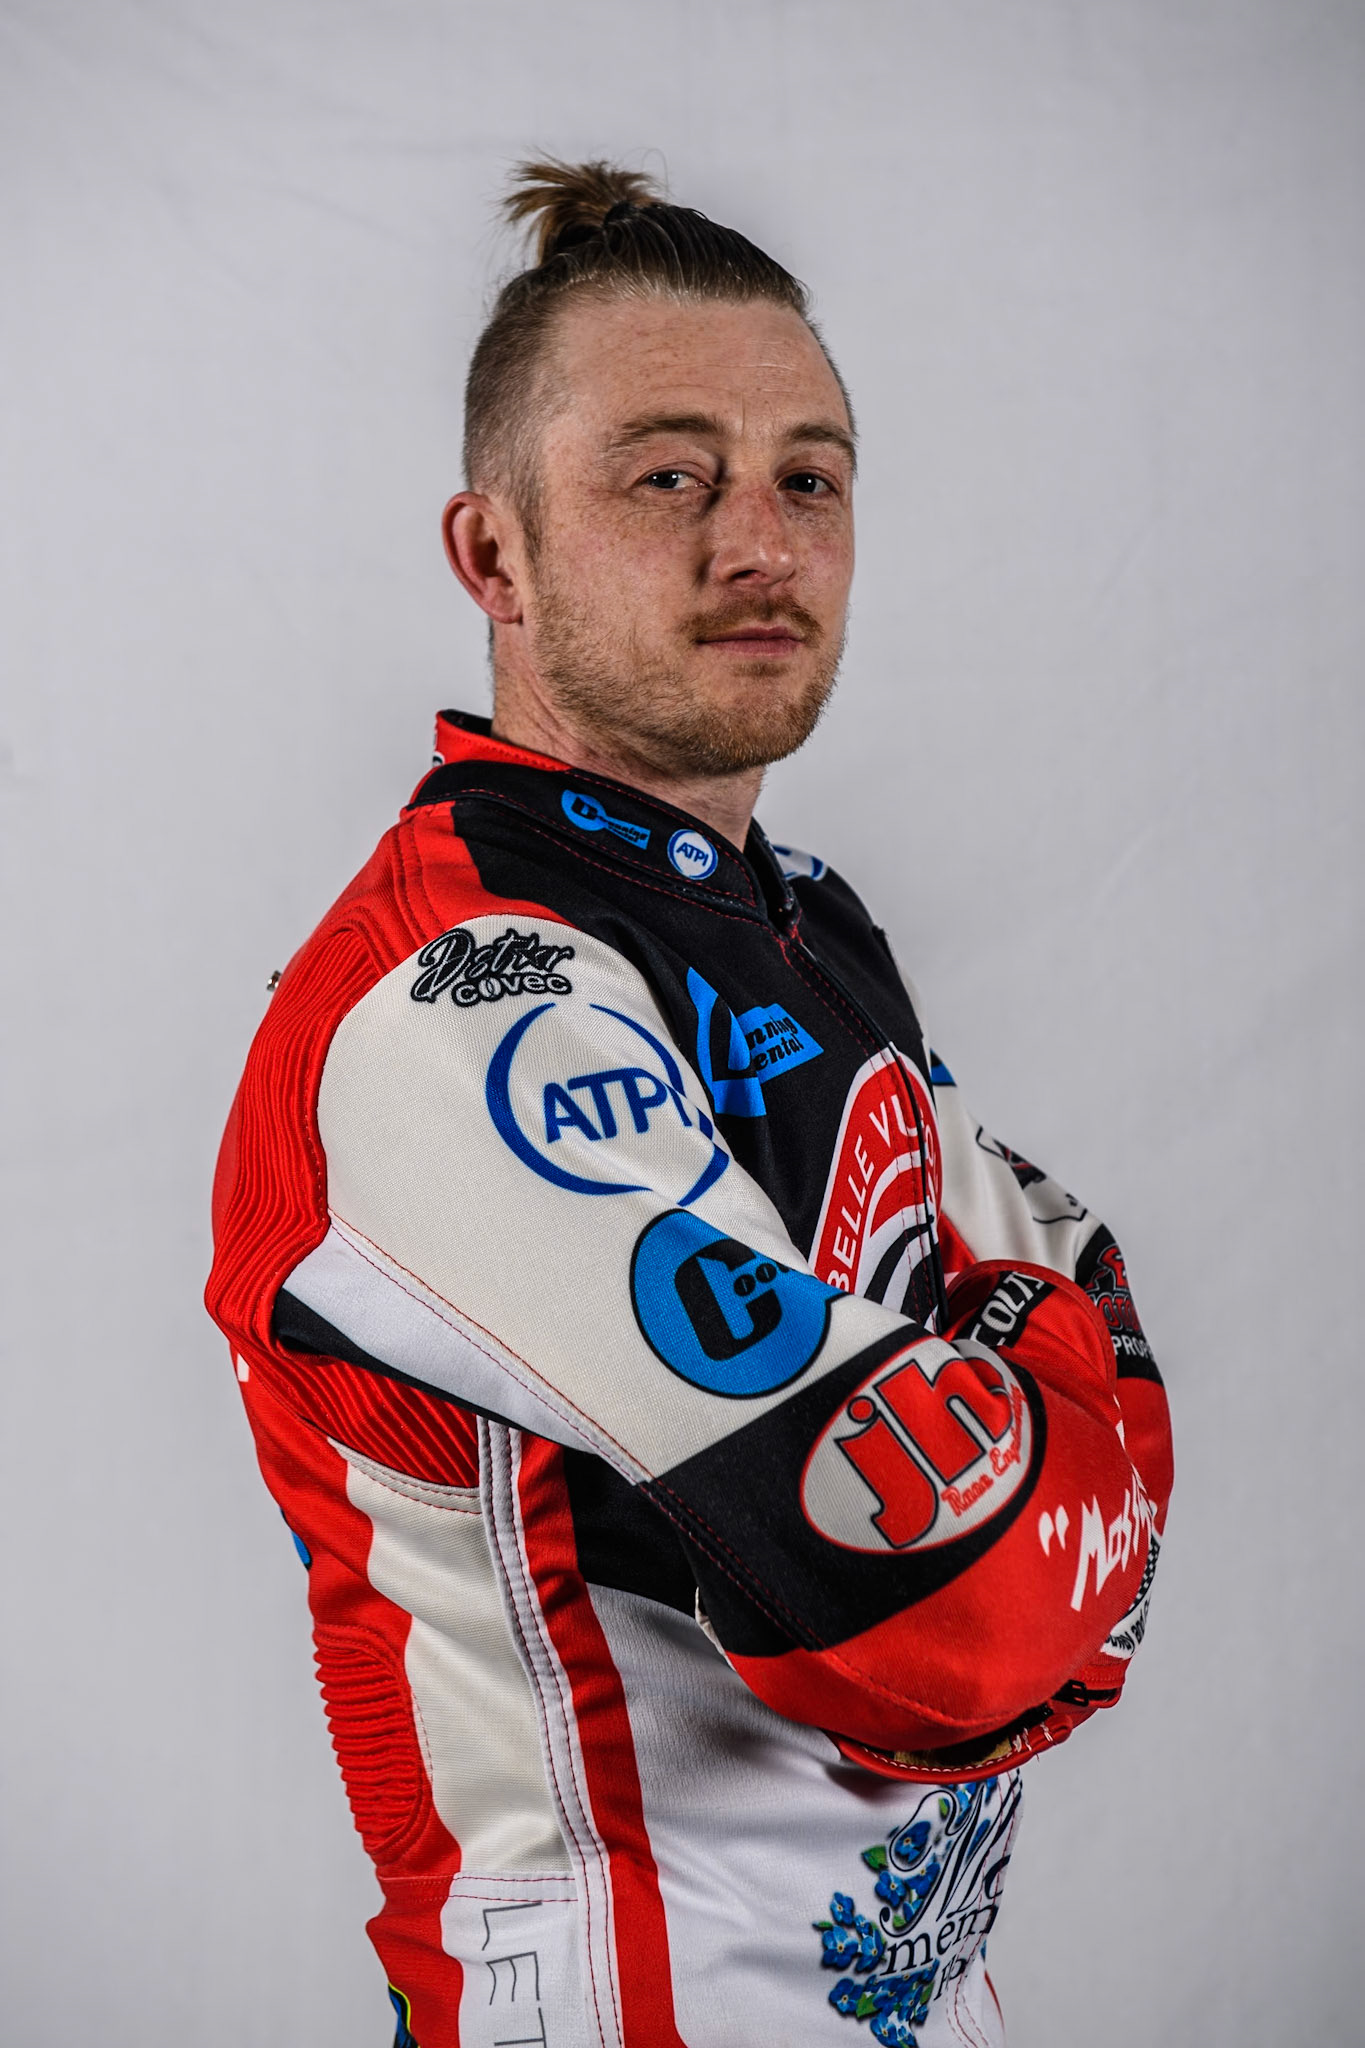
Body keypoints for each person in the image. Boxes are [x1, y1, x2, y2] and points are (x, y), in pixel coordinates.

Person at [207, 159, 1173, 2048]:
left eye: (807, 477)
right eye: (671, 477)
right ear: (492, 554)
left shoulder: (796, 923)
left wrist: (1021, 1413)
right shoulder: (457, 997)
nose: (762, 542)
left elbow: (1069, 1297)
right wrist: (1033, 1424)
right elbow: (956, 1602)